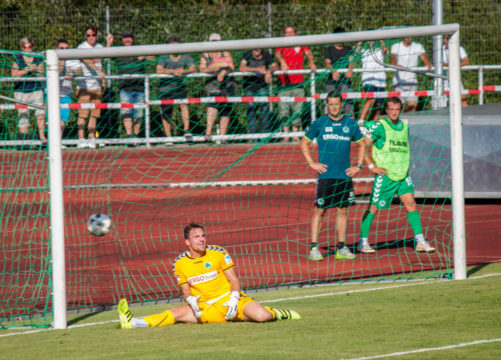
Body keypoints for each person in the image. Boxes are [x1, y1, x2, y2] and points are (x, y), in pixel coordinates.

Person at [117, 223, 300, 328]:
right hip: (205, 308)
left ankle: (276, 312)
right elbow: (186, 291)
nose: (202, 239)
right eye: (197, 237)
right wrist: (192, 303)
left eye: (203, 235)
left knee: (262, 317)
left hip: (230, 301)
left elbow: (234, 279)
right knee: (174, 314)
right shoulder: (179, 263)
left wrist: (235, 299)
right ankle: (133, 323)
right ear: (187, 242)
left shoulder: (218, 252)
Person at [358, 96, 436, 254]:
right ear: (386, 110)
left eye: (397, 109)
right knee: (373, 208)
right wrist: (372, 166)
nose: (394, 112)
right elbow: (363, 144)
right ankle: (363, 241)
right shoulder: (380, 126)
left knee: (411, 204)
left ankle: (420, 241)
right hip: (385, 175)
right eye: (391, 109)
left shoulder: (404, 127)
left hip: (403, 175)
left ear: (400, 110)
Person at [300, 92, 366, 261]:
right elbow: (304, 143)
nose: (334, 107)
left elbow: (362, 143)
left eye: (337, 104)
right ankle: (314, 247)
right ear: (326, 105)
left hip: (344, 175)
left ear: (342, 104)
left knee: (342, 210)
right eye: (331, 104)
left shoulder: (350, 123)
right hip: (326, 176)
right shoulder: (320, 123)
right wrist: (311, 163)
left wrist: (358, 166)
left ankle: (341, 247)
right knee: (320, 210)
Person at [275, 25, 317, 142]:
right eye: (286, 32)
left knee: (297, 111)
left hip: (298, 84)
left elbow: (309, 53)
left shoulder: (301, 43)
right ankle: (285, 135)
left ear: (295, 33)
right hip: (284, 84)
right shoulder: (281, 44)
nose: (288, 35)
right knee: (283, 111)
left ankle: (295, 134)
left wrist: (311, 62)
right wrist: (282, 61)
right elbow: (277, 54)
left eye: (291, 32)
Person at [109, 29, 154, 140]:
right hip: (125, 87)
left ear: (132, 39)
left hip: (139, 87)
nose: (127, 39)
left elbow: (152, 57)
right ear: (122, 39)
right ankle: (130, 135)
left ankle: (135, 135)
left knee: (139, 113)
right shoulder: (118, 50)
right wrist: (108, 44)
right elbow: (106, 57)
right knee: (126, 112)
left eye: (129, 37)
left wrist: (144, 56)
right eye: (125, 37)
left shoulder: (138, 49)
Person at [76, 25, 111, 148]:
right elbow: (86, 60)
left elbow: (105, 59)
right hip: (84, 87)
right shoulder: (82, 47)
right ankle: (81, 138)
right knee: (83, 114)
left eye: (93, 35)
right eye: (88, 35)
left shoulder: (99, 47)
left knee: (94, 114)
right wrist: (98, 71)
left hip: (96, 86)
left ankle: (91, 138)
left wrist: (108, 45)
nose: (91, 37)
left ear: (97, 35)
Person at [156, 35, 196, 141]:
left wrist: (183, 71)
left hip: (179, 87)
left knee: (184, 105)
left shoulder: (184, 55)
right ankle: (168, 137)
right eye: (172, 47)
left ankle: (186, 131)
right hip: (165, 88)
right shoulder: (164, 56)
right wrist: (173, 72)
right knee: (166, 112)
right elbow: (159, 70)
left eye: (176, 47)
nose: (174, 49)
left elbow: (193, 68)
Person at [201, 33, 236, 141]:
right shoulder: (206, 54)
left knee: (226, 108)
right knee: (213, 104)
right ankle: (208, 133)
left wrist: (223, 71)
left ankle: (222, 135)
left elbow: (231, 67)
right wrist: (214, 68)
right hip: (212, 84)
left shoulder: (225, 52)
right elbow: (202, 69)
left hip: (227, 84)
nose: (215, 44)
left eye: (217, 41)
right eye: (213, 42)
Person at [11, 37, 46, 143]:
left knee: (40, 111)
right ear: (22, 48)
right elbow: (13, 75)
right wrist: (26, 70)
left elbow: (41, 73)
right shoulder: (18, 59)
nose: (28, 49)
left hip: (36, 89)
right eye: (25, 47)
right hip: (21, 91)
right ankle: (24, 139)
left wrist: (35, 69)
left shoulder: (37, 58)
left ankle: (41, 135)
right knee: (23, 114)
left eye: (30, 47)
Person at [239, 48, 277, 136]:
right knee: (251, 109)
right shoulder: (247, 54)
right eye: (255, 50)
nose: (257, 52)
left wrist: (268, 71)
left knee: (264, 108)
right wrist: (256, 69)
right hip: (249, 87)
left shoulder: (266, 54)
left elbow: (275, 66)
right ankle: (253, 136)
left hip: (262, 87)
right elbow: (241, 68)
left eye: (259, 50)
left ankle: (265, 134)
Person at [390, 37, 432, 113]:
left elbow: (424, 58)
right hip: (399, 82)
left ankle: (406, 121)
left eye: (409, 36)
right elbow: (393, 59)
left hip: (412, 81)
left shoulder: (417, 46)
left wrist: (427, 63)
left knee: (412, 108)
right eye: (406, 36)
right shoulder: (396, 46)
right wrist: (396, 65)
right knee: (397, 108)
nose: (408, 38)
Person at [323, 27, 355, 116]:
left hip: (345, 82)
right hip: (332, 82)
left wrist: (350, 70)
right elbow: (327, 62)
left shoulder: (348, 49)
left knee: (349, 105)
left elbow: (351, 60)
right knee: (330, 105)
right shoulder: (329, 49)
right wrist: (333, 71)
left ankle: (351, 125)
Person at [356, 40, 387, 126]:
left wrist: (380, 39)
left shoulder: (378, 51)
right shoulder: (364, 52)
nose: (371, 43)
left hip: (380, 80)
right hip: (368, 80)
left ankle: (375, 120)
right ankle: (361, 120)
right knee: (370, 98)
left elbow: (384, 49)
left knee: (379, 103)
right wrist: (360, 42)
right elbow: (356, 53)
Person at [56, 39, 80, 135]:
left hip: (66, 94)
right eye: (62, 48)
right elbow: (57, 72)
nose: (64, 50)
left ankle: (58, 142)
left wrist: (73, 73)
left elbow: (80, 71)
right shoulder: (51, 58)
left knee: (63, 120)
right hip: (53, 94)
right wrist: (62, 62)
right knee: (52, 120)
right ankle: (51, 141)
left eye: (66, 48)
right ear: (57, 48)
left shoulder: (72, 59)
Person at [441, 34, 470, 107]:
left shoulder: (459, 48)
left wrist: (454, 65)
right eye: (446, 39)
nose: (447, 41)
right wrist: (450, 64)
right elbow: (440, 64)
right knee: (441, 105)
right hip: (442, 80)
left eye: (449, 38)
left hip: (455, 79)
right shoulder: (440, 50)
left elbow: (466, 61)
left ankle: (464, 117)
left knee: (463, 102)